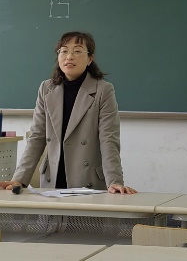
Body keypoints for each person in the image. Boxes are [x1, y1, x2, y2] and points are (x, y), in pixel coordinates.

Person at [9, 31, 136, 194]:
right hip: (53, 178)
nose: (69, 56)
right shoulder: (46, 88)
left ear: (90, 59)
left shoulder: (103, 90)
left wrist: (115, 181)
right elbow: (37, 137)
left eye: (77, 51)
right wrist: (19, 179)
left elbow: (108, 139)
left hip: (87, 180)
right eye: (64, 51)